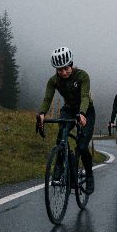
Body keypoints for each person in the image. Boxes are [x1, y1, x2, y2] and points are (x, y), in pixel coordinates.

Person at [37, 46, 96, 193]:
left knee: (82, 147)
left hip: (86, 110)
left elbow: (84, 97)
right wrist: (42, 113)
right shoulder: (53, 81)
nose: (63, 72)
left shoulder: (82, 76)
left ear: (71, 64)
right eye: (59, 70)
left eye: (66, 68)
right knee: (61, 135)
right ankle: (59, 165)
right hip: (69, 109)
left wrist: (82, 113)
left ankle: (89, 175)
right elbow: (47, 98)